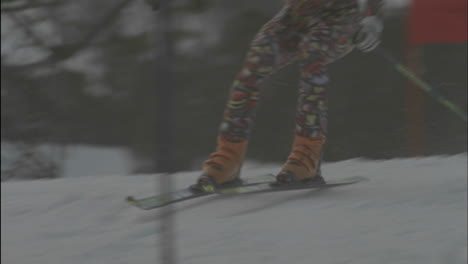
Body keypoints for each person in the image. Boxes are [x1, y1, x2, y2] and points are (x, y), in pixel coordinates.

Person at [194, 0, 384, 190]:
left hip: (340, 17)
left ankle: (308, 155)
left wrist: (372, 17)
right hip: (296, 16)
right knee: (256, 61)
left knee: (312, 53)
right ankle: (228, 157)